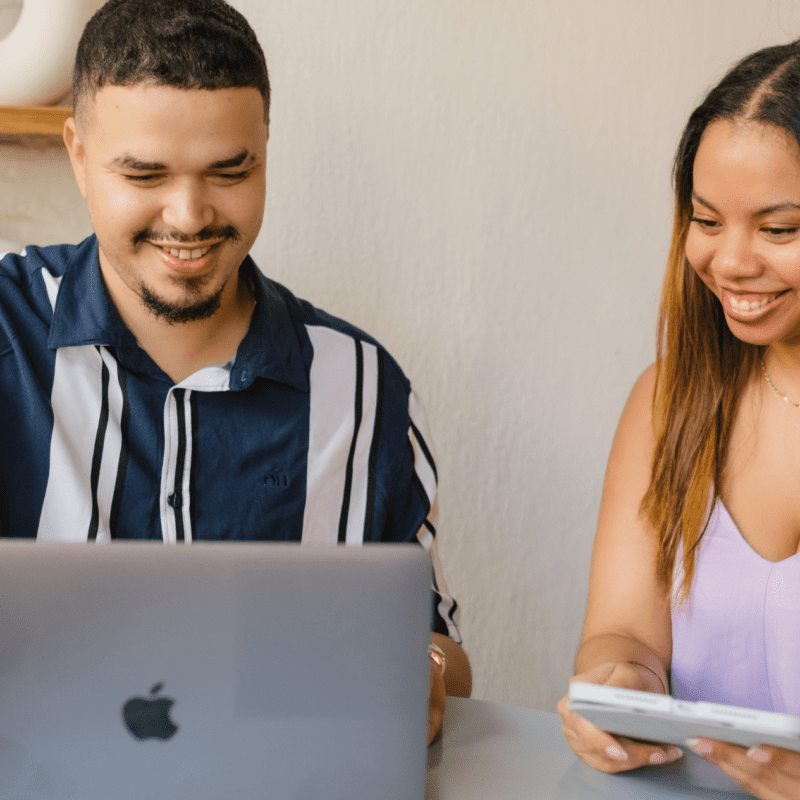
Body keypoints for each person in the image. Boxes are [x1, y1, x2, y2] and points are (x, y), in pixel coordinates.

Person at [0, 0, 471, 743]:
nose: (188, 216)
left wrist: (422, 667)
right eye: (144, 172)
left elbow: (440, 645)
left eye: (229, 170)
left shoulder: (365, 389)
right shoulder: (6, 334)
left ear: (265, 148)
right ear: (79, 156)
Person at [557, 38, 800, 799]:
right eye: (705, 220)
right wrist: (621, 687)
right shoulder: (668, 403)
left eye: (779, 228)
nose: (729, 262)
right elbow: (623, 632)